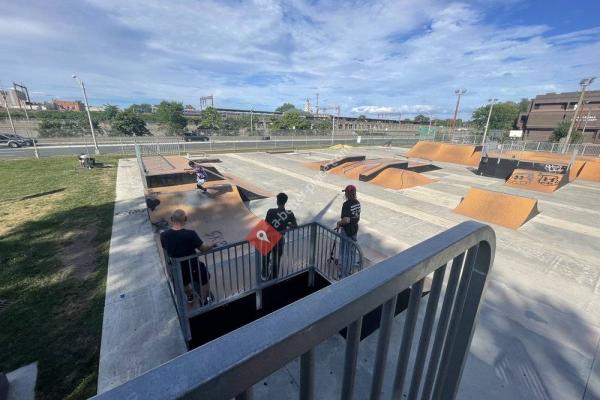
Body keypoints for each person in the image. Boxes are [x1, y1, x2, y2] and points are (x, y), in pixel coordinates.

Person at [160, 209, 216, 304]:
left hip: (176, 266)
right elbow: (203, 249)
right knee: (204, 277)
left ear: (171, 219)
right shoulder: (190, 234)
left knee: (184, 282)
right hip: (192, 264)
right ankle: (207, 297)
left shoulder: (164, 235)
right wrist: (212, 245)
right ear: (185, 219)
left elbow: (165, 248)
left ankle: (190, 296)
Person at [262, 192, 298, 280]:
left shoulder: (270, 211)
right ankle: (274, 277)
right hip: (280, 239)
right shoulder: (289, 213)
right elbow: (295, 226)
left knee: (265, 256)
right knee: (276, 259)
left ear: (277, 201)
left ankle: (264, 274)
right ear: (285, 202)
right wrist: (287, 225)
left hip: (269, 238)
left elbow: (265, 224)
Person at [336, 185, 361, 278]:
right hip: (354, 229)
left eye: (345, 192)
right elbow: (356, 217)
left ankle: (344, 275)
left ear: (347, 193)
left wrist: (339, 223)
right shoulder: (357, 203)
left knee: (345, 252)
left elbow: (346, 220)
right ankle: (349, 270)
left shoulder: (346, 204)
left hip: (347, 231)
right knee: (351, 251)